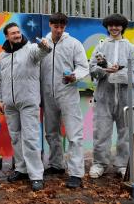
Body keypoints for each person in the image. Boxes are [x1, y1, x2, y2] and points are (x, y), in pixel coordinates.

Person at [0, 22, 52, 192]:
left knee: (31, 138)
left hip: (28, 101)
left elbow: (43, 52)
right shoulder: (2, 56)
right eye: (13, 33)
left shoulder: (31, 49)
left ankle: (36, 175)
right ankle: (21, 169)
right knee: (15, 137)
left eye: (18, 32)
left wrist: (45, 46)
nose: (17, 35)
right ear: (6, 36)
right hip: (10, 104)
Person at [88, 13, 134, 179]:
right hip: (104, 96)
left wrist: (119, 72)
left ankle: (123, 164)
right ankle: (99, 164)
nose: (114, 28)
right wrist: (104, 70)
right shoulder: (101, 47)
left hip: (127, 97)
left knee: (126, 132)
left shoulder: (131, 48)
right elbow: (92, 69)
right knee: (101, 131)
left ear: (123, 27)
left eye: (117, 25)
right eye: (111, 25)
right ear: (107, 27)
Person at [40, 13, 89, 189]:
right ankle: (56, 164)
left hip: (67, 92)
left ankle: (76, 173)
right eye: (56, 26)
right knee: (51, 132)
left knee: (74, 134)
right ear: (50, 25)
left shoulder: (74, 43)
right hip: (47, 93)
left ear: (65, 27)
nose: (59, 30)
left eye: (62, 27)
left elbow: (84, 66)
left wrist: (74, 76)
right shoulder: (42, 44)